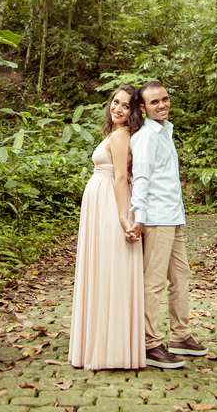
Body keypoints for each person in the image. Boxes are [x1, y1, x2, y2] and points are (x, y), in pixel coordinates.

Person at [128, 80, 208, 369]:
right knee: (153, 283)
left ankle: (181, 336)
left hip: (174, 217)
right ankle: (150, 343)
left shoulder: (165, 131)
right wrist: (139, 218)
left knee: (181, 277)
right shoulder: (146, 137)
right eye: (154, 102)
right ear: (142, 108)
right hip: (157, 219)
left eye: (165, 99)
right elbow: (141, 179)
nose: (162, 105)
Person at [69, 85, 147, 370]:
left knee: (111, 268)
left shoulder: (121, 135)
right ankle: (104, 345)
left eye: (126, 106)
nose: (118, 108)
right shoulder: (118, 134)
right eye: (116, 102)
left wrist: (123, 218)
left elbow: (118, 178)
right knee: (105, 268)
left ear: (134, 111)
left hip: (109, 204)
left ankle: (109, 349)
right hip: (101, 202)